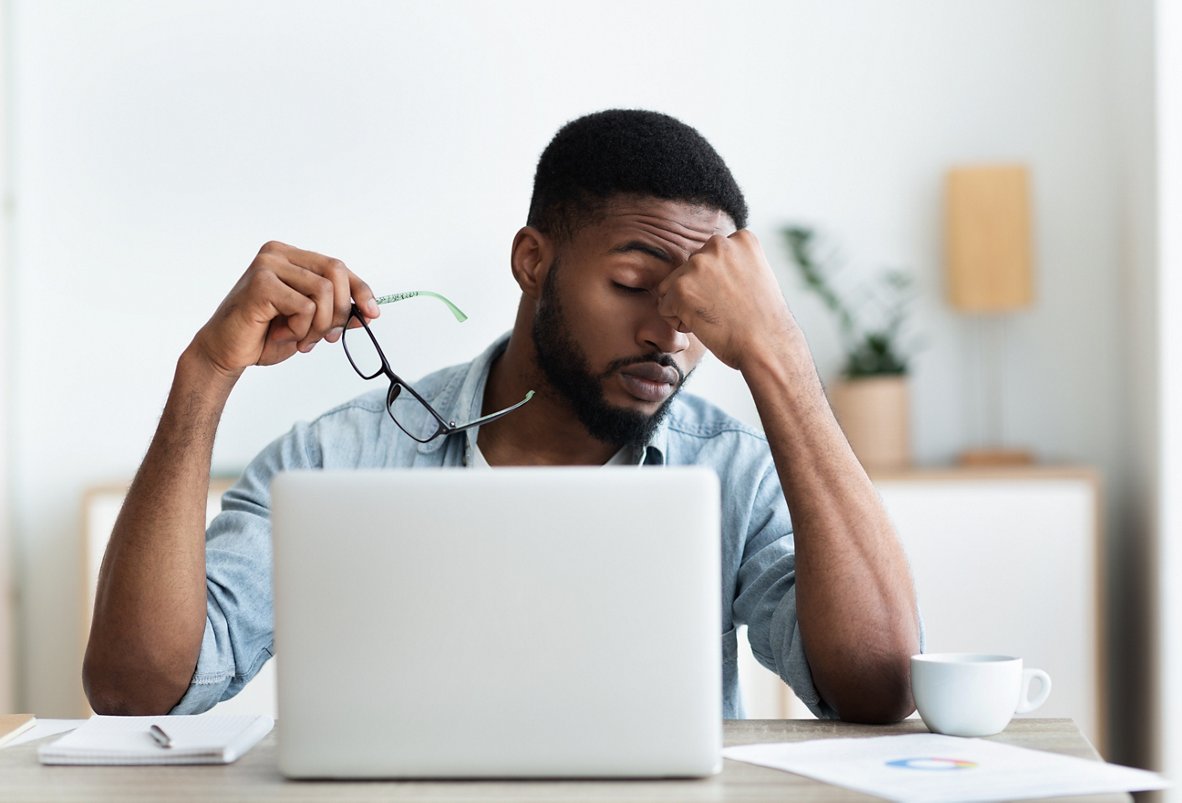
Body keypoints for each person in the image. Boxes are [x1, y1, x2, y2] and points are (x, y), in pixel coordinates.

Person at [83, 109, 920, 723]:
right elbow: (135, 688)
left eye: (702, 305)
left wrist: (778, 353)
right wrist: (204, 374)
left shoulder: (730, 468)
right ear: (532, 262)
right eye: (633, 285)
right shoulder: (339, 457)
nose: (669, 332)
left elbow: (881, 682)